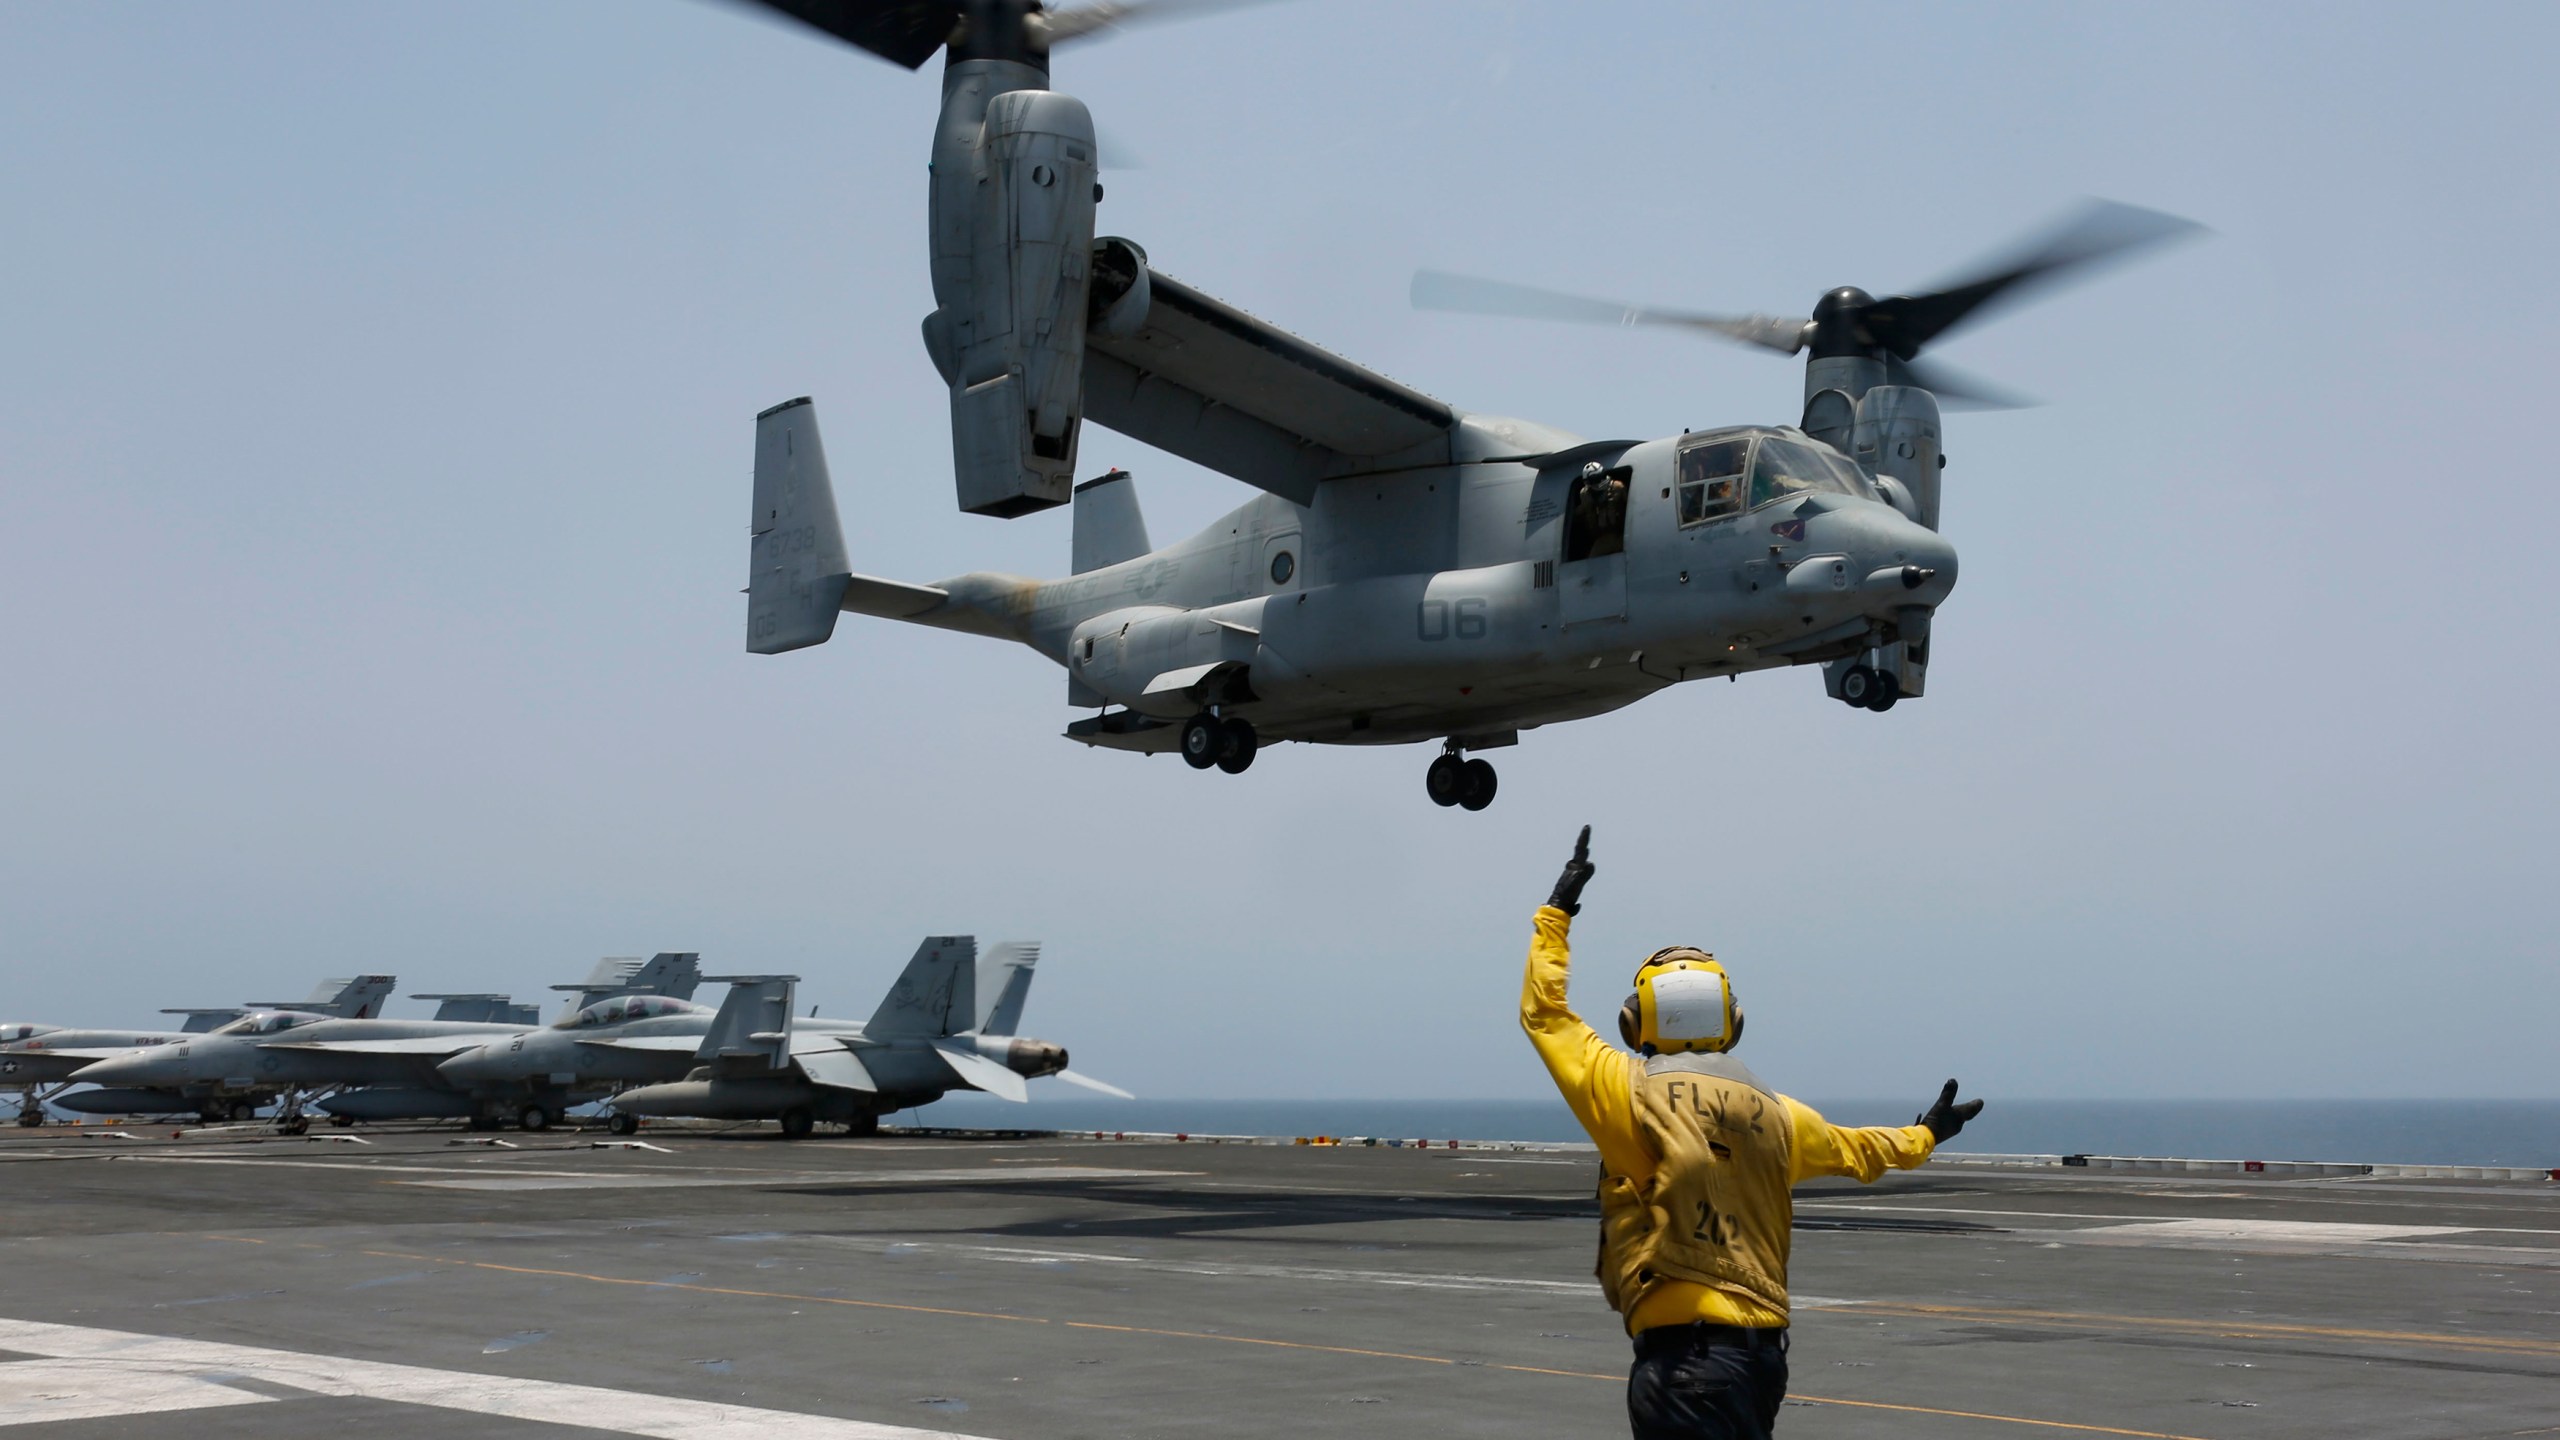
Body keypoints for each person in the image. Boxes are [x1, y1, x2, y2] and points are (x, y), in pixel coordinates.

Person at [1519, 826, 1983, 1440]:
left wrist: (1558, 912)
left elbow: (1544, 1013)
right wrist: (1926, 1133)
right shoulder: (1780, 1115)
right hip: (1762, 1360)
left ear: (1635, 1024)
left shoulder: (1625, 1091)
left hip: (1684, 1360)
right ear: (1731, 1022)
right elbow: (1863, 1151)